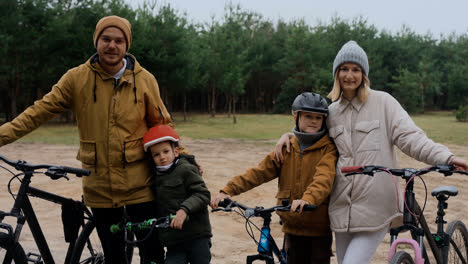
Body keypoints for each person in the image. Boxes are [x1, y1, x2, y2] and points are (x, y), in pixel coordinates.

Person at [0, 15, 189, 263]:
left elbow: (162, 125)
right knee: (113, 256)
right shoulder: (76, 78)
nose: (112, 45)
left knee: (151, 251)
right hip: (100, 185)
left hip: (140, 185)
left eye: (119, 40)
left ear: (126, 45)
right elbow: (38, 111)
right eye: (106, 39)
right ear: (96, 41)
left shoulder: (144, 80)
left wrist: (183, 158)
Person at [273, 40, 468, 264]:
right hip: (341, 209)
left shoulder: (384, 102)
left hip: (375, 206)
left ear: (364, 74)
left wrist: (447, 157)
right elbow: (312, 135)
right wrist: (288, 137)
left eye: (356, 69)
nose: (349, 75)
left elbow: (411, 138)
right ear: (336, 73)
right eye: (344, 69)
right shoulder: (331, 111)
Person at [210, 92, 338, 264]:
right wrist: (228, 190)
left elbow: (324, 178)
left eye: (318, 117)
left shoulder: (328, 149)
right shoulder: (285, 148)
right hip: (291, 227)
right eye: (308, 116)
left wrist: (307, 199)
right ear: (295, 117)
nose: (313, 121)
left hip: (318, 229)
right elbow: (258, 173)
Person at [143, 125, 212, 264]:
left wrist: (184, 210)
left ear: (175, 151)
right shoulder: (154, 178)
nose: (162, 157)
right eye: (156, 154)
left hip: (197, 236)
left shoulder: (186, 169)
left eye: (166, 151)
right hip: (174, 242)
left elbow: (202, 194)